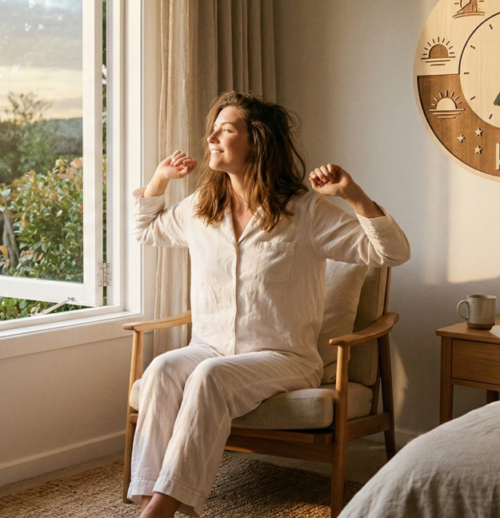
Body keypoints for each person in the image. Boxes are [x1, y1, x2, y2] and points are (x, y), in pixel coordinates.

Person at [130, 91, 410, 517]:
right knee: (163, 368)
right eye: (213, 130)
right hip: (211, 346)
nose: (212, 139)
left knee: (208, 377)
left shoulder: (306, 211)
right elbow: (146, 230)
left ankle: (161, 512)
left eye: (226, 130)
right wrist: (160, 178)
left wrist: (352, 195)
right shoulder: (200, 210)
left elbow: (391, 253)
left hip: (284, 357)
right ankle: (152, 499)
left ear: (257, 142)